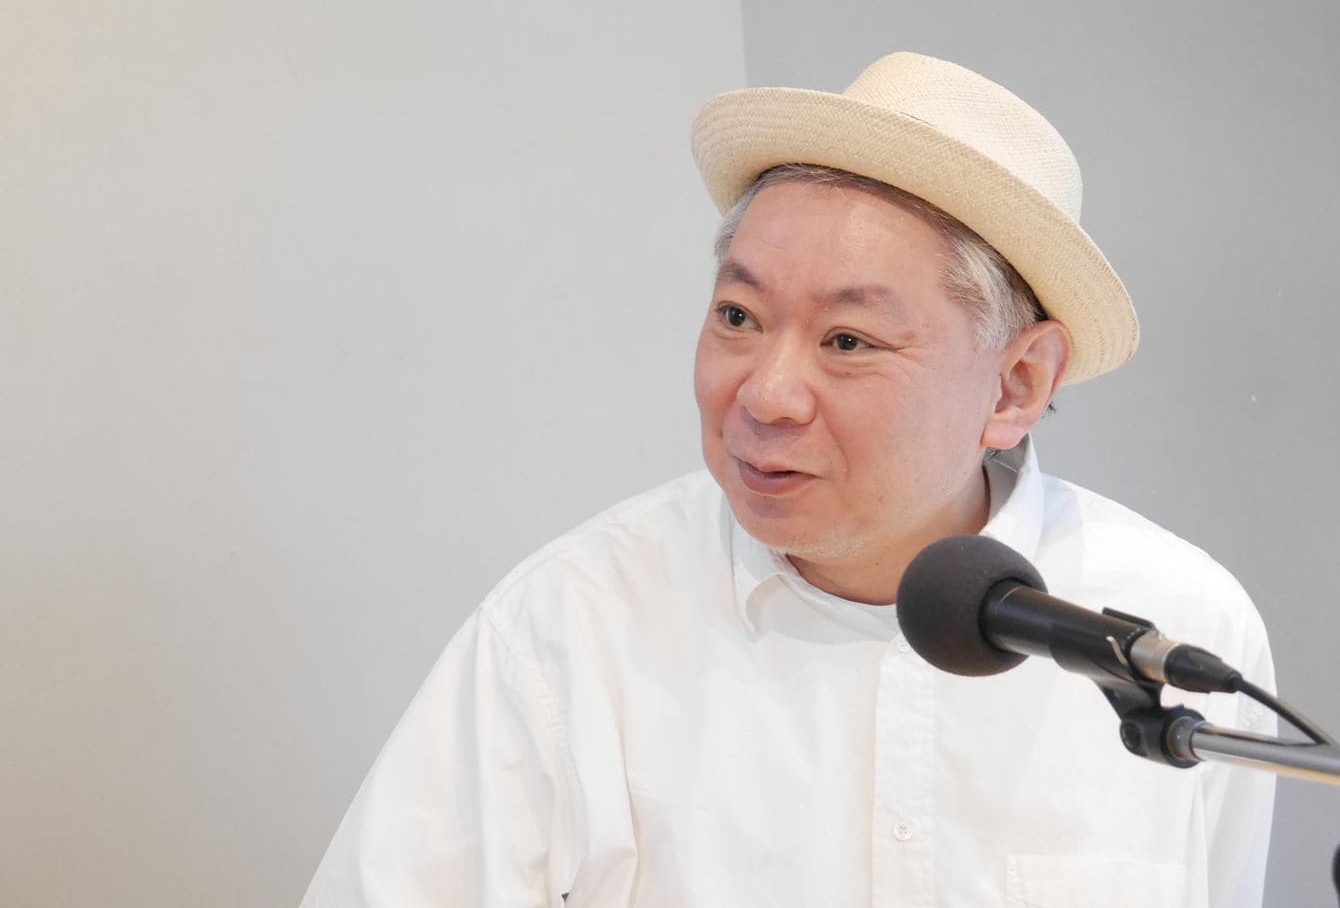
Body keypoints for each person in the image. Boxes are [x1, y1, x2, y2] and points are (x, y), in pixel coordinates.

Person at [301, 52, 1275, 907]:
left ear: (1016, 385)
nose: (765, 394)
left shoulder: (1174, 626)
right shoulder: (568, 627)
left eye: (847, 340)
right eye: (738, 318)